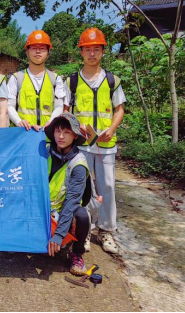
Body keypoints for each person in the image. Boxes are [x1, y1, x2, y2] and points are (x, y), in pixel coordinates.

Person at [64, 27, 126, 255]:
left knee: (107, 187)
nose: (92, 54)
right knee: (82, 188)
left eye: (96, 49)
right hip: (81, 145)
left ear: (103, 51)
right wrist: (75, 124)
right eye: (87, 49)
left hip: (106, 145)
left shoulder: (112, 80)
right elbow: (65, 110)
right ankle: (85, 230)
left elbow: (119, 109)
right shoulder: (71, 82)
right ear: (81, 52)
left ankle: (106, 230)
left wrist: (112, 128)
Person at [45, 113, 93, 276]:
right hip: (43, 209)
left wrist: (59, 235)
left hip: (63, 212)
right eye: (57, 131)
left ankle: (77, 253)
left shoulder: (78, 163)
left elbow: (72, 201)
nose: (60, 136)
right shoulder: (45, 153)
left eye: (66, 132)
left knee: (82, 216)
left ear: (75, 136)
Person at [7, 30, 66, 132]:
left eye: (42, 48)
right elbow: (9, 105)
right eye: (34, 48)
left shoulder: (55, 79)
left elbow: (59, 106)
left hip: (47, 135)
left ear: (48, 53)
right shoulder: (17, 78)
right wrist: (18, 121)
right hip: (23, 134)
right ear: (27, 52)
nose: (38, 51)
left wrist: (51, 122)